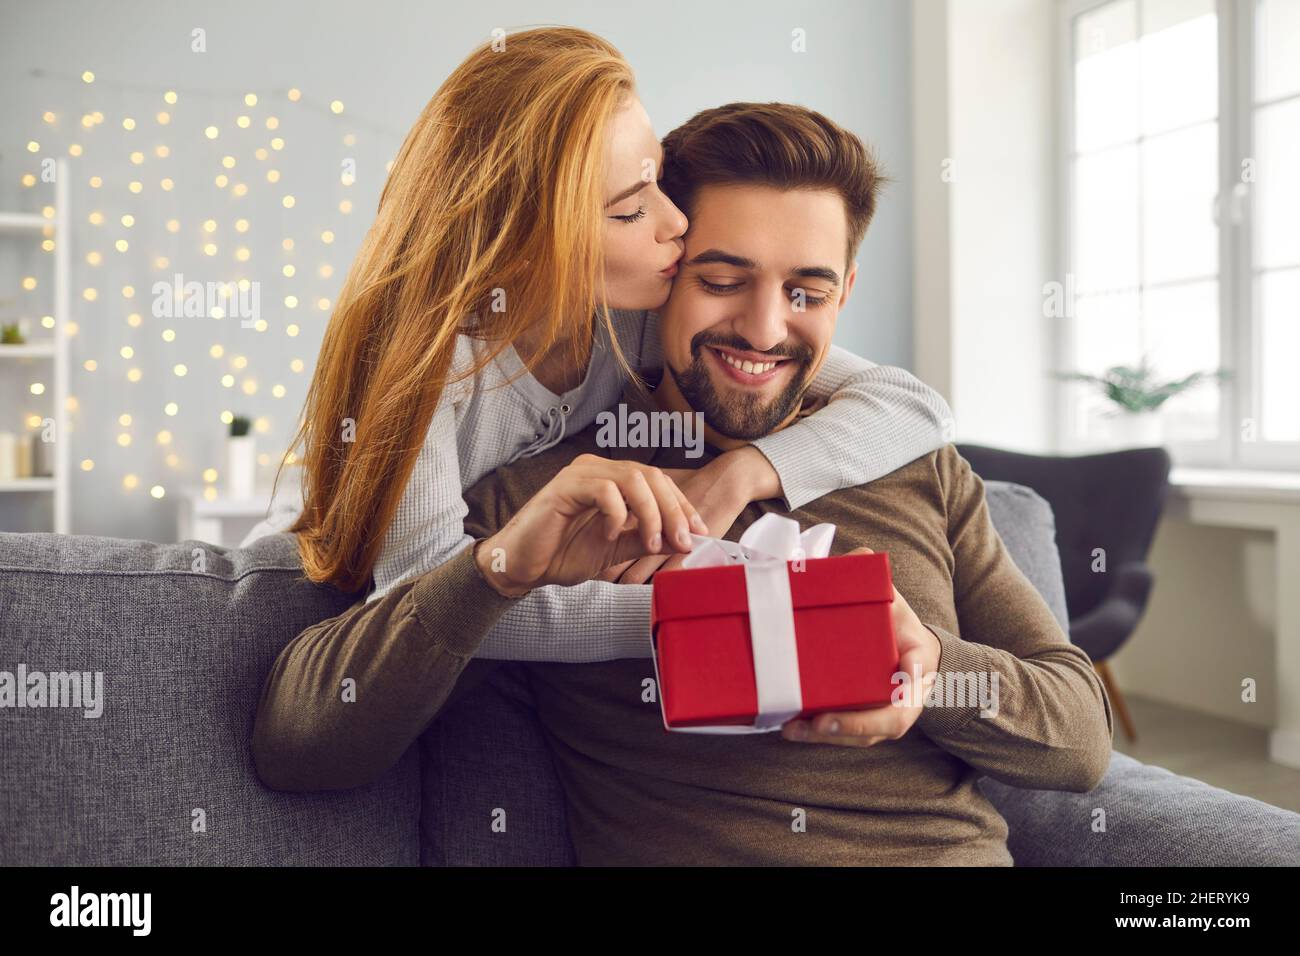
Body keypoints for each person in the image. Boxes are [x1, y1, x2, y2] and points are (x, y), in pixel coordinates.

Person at [253, 101, 1114, 866]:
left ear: (844, 294)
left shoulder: (915, 466)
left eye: (806, 293)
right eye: (721, 281)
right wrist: (494, 577)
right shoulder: (553, 500)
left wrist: (927, 670)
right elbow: (300, 743)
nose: (765, 329)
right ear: (660, 277)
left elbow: (1079, 738)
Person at [242, 26, 954, 663]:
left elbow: (911, 403)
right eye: (630, 208)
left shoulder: (632, 310)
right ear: (523, 245)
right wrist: (709, 614)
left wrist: (742, 475)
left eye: (657, 180)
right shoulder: (431, 369)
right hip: (288, 610)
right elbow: (433, 604)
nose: (677, 222)